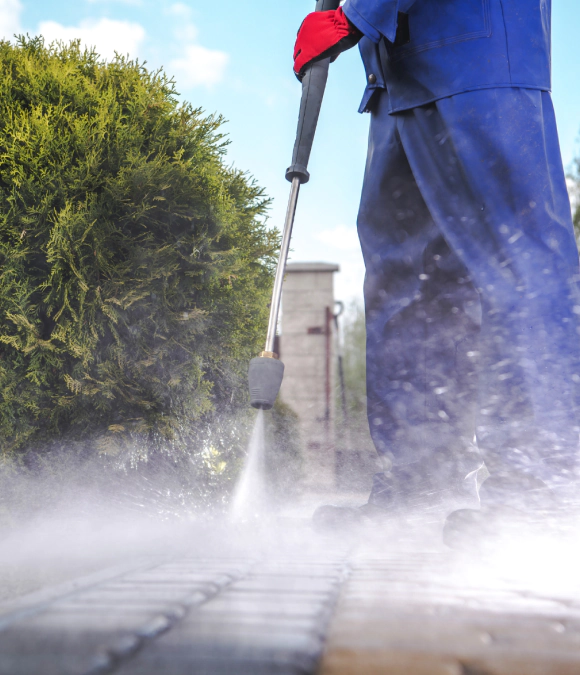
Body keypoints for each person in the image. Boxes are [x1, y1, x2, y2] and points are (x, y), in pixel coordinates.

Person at [293, 0, 580, 535]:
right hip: (397, 76)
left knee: (518, 263)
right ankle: (423, 478)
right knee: (409, 281)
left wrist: (354, 16)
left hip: (480, 60)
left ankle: (540, 494)